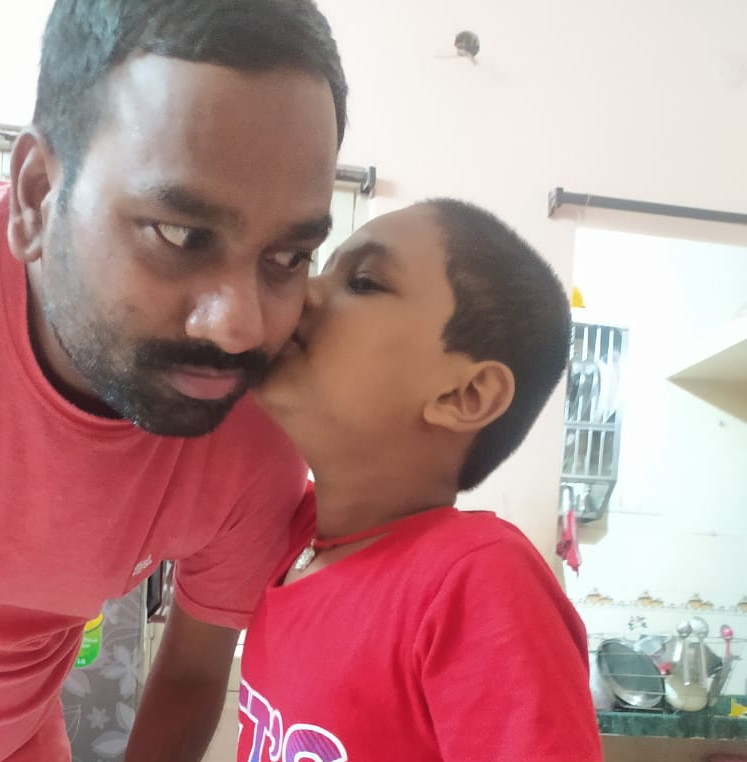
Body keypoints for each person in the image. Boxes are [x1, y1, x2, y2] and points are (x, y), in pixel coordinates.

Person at [0, 1, 347, 761]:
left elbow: (192, 675)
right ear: (36, 196)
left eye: (287, 257)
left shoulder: (248, 431)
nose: (238, 327)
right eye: (181, 235)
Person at [237, 199, 604, 761]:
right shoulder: (291, 534)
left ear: (465, 395)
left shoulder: (478, 579)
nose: (303, 291)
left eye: (362, 282)